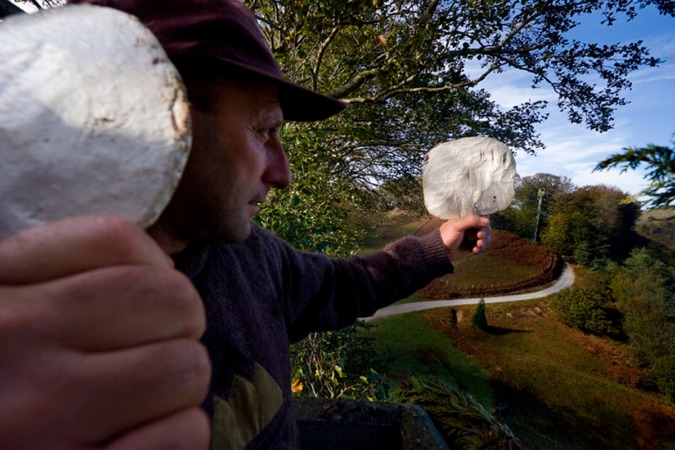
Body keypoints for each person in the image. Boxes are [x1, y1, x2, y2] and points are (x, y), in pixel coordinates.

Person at [0, 0, 491, 448]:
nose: (282, 175)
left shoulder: (253, 256)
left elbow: (344, 286)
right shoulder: (23, 318)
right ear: (150, 120)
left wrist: (436, 248)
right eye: (264, 130)